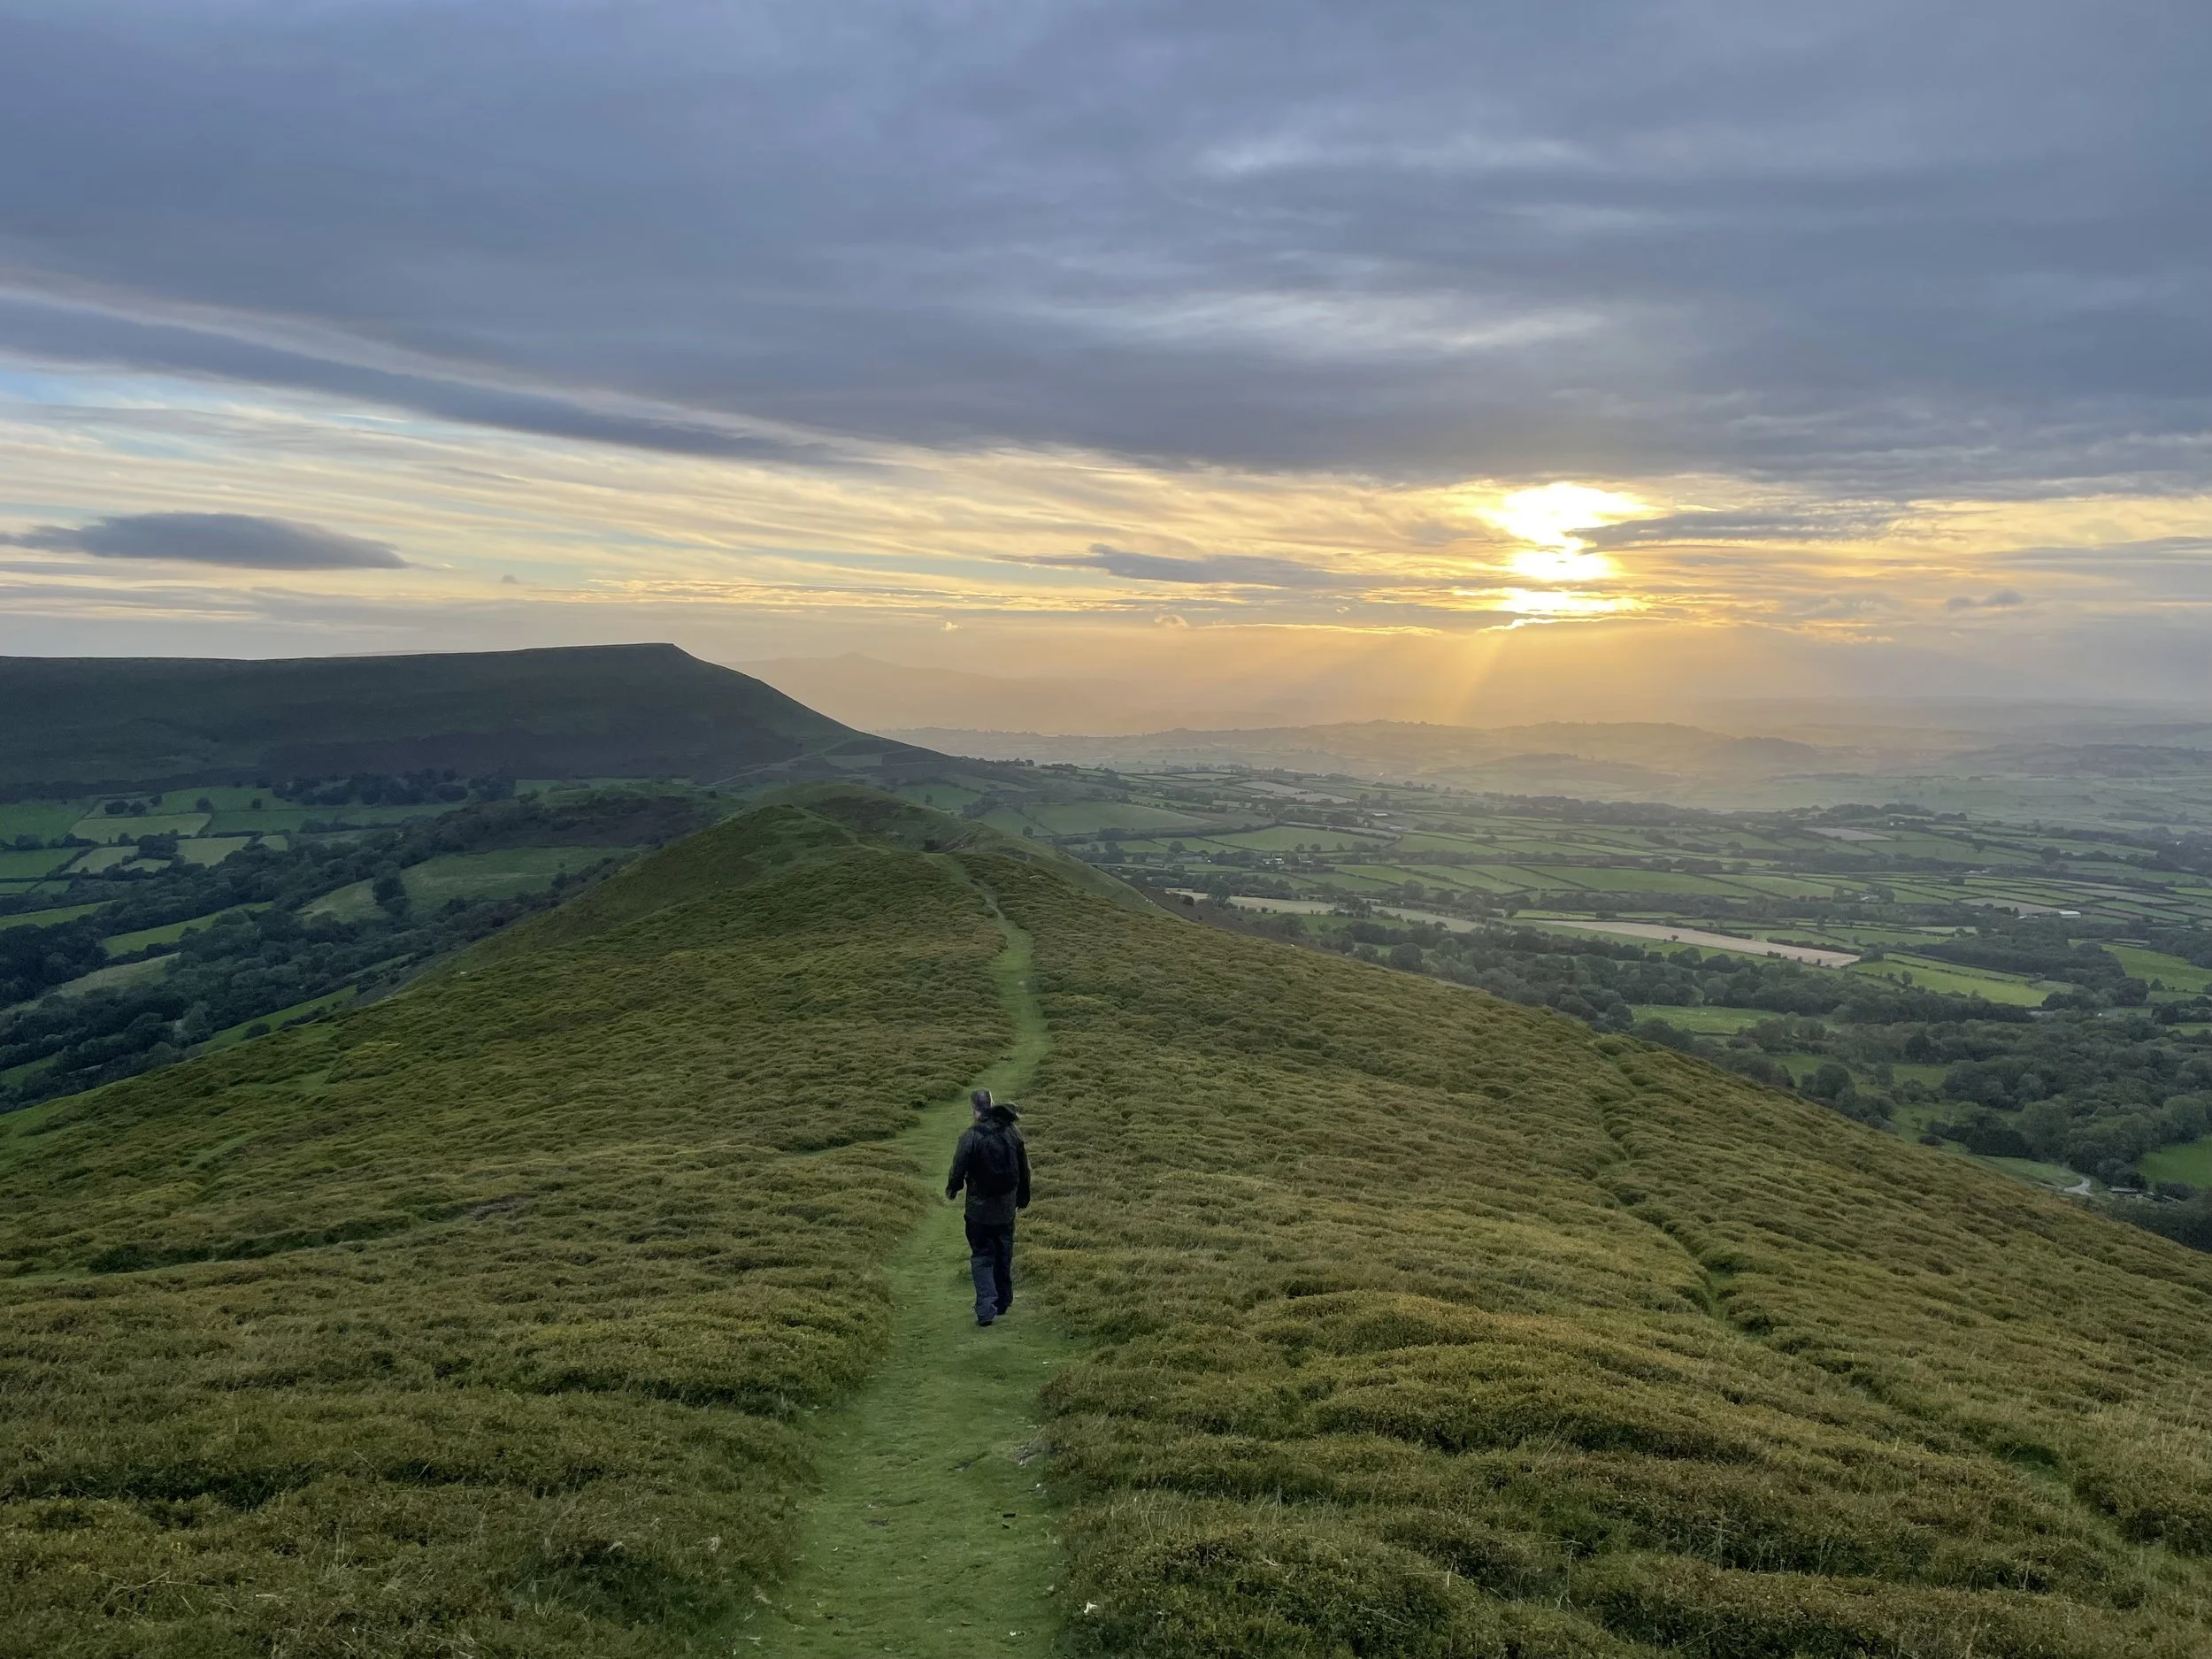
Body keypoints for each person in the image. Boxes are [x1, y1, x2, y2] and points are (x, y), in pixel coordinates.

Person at [945, 1087, 1031, 1326]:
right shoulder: (1011, 1132)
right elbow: (1024, 1168)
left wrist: (953, 1188)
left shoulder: (970, 1136)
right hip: (1005, 1207)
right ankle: (1003, 1300)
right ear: (991, 1104)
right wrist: (1023, 1198)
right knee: (1004, 1252)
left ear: (974, 1109)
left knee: (982, 1255)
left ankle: (985, 1308)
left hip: (978, 1209)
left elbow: (958, 1166)